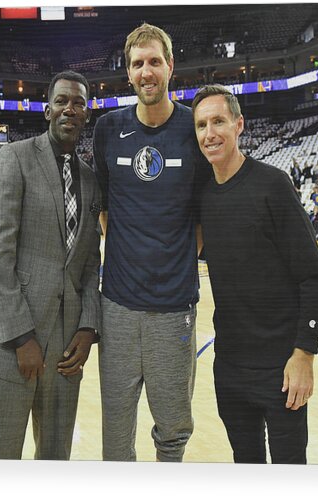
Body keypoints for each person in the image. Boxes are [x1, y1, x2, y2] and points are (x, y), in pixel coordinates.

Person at [192, 85, 318, 464]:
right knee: (246, 464)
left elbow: (315, 277)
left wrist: (305, 354)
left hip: (280, 366)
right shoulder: (203, 197)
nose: (210, 133)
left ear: (239, 125)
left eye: (218, 121)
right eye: (202, 125)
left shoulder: (272, 185)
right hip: (230, 365)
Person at [92, 23, 210, 462]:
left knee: (172, 433)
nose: (147, 71)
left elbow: (205, 215)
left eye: (154, 61)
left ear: (170, 66)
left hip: (174, 309)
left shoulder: (193, 128)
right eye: (138, 63)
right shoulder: (107, 128)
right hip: (117, 307)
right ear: (128, 72)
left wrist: (175, 259)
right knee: (116, 434)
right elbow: (103, 207)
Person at [0, 70, 102, 460]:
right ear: (47, 110)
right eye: (62, 101)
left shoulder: (91, 179)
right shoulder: (14, 158)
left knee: (55, 459)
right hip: (14, 343)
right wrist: (20, 336)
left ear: (86, 114)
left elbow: (90, 262)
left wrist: (88, 326)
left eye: (78, 103)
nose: (70, 109)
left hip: (66, 351)